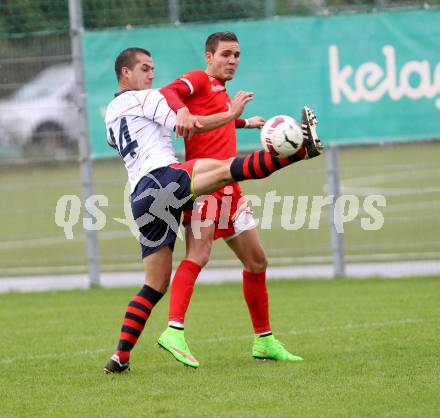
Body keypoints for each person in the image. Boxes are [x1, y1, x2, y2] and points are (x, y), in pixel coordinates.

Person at [103, 47, 322, 373]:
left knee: (155, 284)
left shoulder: (111, 112)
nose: (151, 75)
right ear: (125, 73)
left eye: (152, 68)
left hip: (141, 196)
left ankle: (120, 357)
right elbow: (190, 123)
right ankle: (299, 151)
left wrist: (241, 121)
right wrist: (231, 115)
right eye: (145, 68)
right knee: (224, 172)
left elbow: (119, 140)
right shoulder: (145, 98)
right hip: (161, 178)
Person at [157, 32, 313, 368]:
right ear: (208, 56)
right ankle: (173, 331)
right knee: (198, 255)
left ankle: (264, 341)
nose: (232, 60)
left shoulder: (221, 92)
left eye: (237, 55)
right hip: (205, 187)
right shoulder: (199, 79)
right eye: (226, 54)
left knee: (257, 263)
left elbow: (216, 119)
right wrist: (181, 110)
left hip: (232, 191)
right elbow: (168, 92)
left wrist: (243, 122)